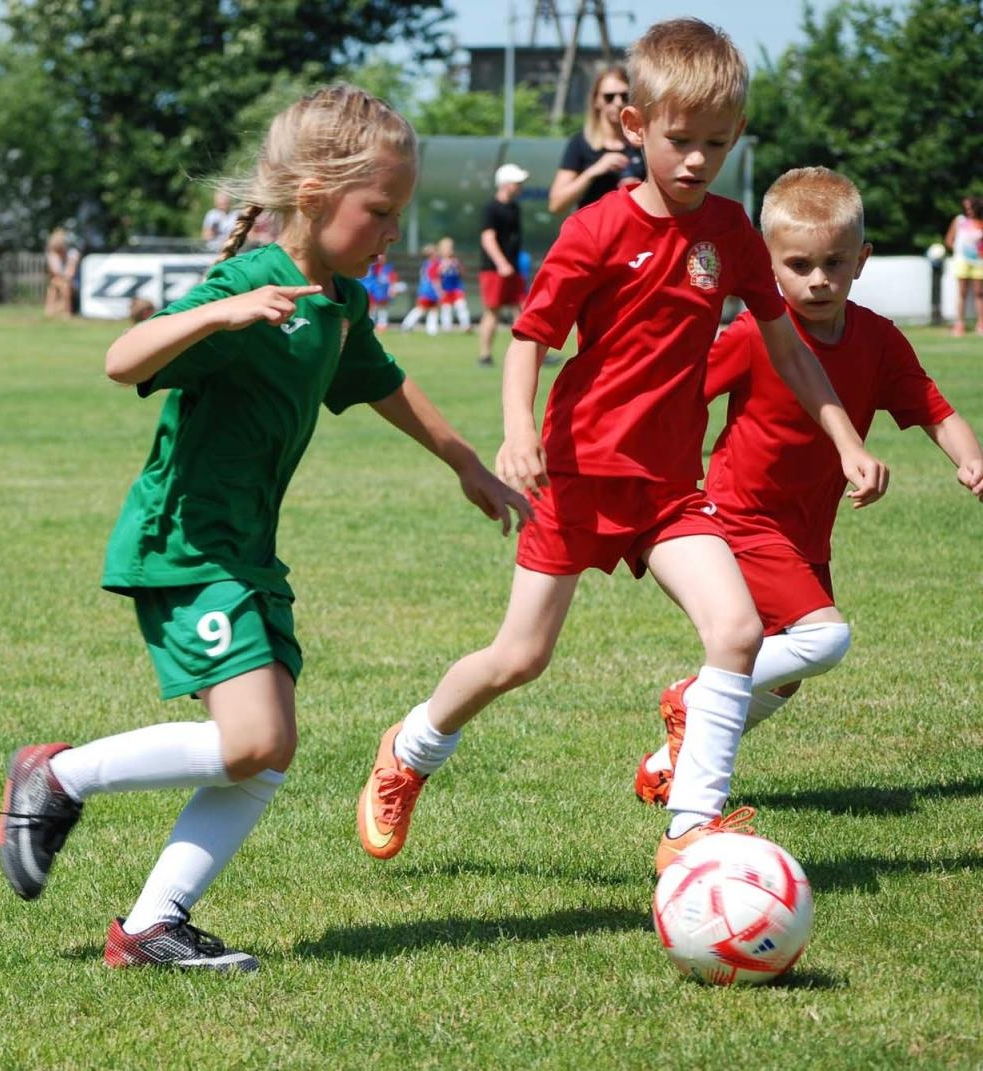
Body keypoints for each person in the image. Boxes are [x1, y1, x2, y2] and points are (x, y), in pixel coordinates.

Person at [0, 84, 530, 973]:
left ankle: (151, 925)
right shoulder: (249, 285)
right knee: (254, 741)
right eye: (381, 212)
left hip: (243, 553)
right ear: (316, 196)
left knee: (266, 752)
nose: (394, 231)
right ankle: (58, 775)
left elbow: (383, 382)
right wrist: (218, 311)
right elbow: (120, 358)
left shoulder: (338, 300)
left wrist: (466, 462)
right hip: (186, 546)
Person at [355, 18, 889, 877]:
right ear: (635, 127)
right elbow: (531, 336)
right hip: (576, 477)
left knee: (740, 629)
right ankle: (411, 748)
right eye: (680, 141)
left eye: (716, 143)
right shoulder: (597, 229)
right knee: (519, 657)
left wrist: (846, 437)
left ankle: (691, 826)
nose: (696, 161)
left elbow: (787, 346)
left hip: (671, 489)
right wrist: (520, 430)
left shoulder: (731, 234)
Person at [635, 168, 983, 804]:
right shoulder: (752, 336)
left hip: (805, 531)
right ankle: (694, 698)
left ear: (861, 261)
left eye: (834, 263)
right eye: (799, 265)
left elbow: (933, 408)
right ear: (766, 266)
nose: (818, 279)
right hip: (739, 518)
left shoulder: (878, 339)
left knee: (784, 675)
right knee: (823, 638)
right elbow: (678, 394)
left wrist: (971, 460)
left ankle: (664, 767)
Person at [549, 65, 646, 216]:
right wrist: (593, 172)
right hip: (593, 233)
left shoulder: (643, 143)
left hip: (634, 233)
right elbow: (556, 205)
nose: (618, 102)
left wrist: (640, 189)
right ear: (596, 101)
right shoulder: (580, 143)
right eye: (609, 97)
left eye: (624, 96)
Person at [477, 163, 528, 367]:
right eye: (517, 182)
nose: (520, 186)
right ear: (506, 184)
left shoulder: (515, 208)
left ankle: (528, 354)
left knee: (523, 310)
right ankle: (485, 355)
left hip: (513, 268)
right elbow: (488, 238)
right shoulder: (491, 209)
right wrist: (501, 263)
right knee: (492, 311)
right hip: (494, 269)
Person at [943, 195, 983, 337]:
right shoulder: (959, 220)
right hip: (962, 261)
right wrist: (959, 252)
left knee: (979, 293)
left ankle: (981, 323)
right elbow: (949, 240)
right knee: (962, 293)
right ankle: (959, 323)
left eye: (971, 207)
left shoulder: (981, 222)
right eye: (966, 207)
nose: (968, 210)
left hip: (979, 262)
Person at [397, 245, 442, 334]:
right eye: (435, 253)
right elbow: (434, 279)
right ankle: (406, 324)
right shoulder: (432, 264)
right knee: (421, 309)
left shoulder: (427, 263)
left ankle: (431, 329)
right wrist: (439, 291)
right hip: (429, 290)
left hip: (426, 289)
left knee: (433, 309)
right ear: (431, 255)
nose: (437, 254)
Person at [435, 237, 471, 333]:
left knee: (461, 306)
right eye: (446, 248)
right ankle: (446, 327)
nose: (449, 250)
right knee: (446, 309)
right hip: (445, 289)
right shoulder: (439, 262)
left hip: (456, 288)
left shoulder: (456, 261)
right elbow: (436, 276)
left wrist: (457, 266)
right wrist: (439, 290)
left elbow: (462, 273)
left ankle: (466, 325)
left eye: (451, 248)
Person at [43, 227, 80, 318]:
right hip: (60, 281)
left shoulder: (72, 253)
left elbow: (70, 274)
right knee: (55, 285)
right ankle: (53, 311)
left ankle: (66, 311)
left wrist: (62, 278)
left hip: (75, 283)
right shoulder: (52, 254)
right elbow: (55, 272)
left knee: (63, 285)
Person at [360, 256, 403, 331]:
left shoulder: (388, 268)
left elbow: (392, 278)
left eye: (382, 257)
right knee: (371, 307)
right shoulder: (371, 267)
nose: (381, 259)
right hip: (371, 289)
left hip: (382, 290)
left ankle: (382, 324)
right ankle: (370, 324)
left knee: (382, 307)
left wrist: (392, 288)